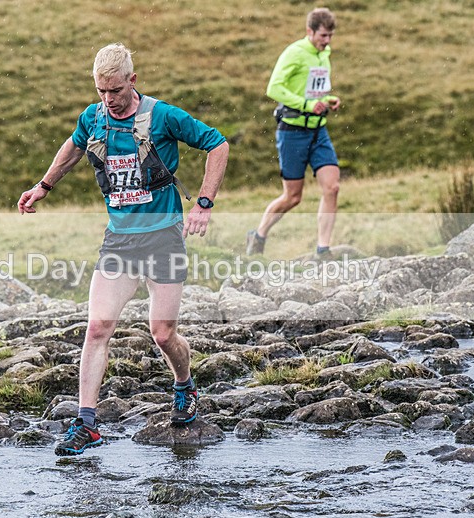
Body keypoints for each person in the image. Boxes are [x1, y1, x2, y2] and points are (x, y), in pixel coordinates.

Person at [17, 43, 229, 456]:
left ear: (133, 81)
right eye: (101, 91)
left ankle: (184, 386)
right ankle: (87, 423)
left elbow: (217, 145)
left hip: (164, 237)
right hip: (120, 240)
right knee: (97, 327)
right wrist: (43, 186)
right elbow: (73, 148)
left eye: (115, 90)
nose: (108, 100)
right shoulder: (93, 117)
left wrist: (204, 203)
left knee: (162, 333)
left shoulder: (163, 116)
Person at [246, 7, 341, 258]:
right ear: (309, 31)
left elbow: (313, 89)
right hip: (292, 132)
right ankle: (259, 234)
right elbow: (274, 88)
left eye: (330, 36)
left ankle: (323, 249)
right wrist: (308, 106)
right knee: (293, 197)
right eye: (323, 36)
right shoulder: (294, 53)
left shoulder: (324, 54)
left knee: (332, 187)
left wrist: (328, 99)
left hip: (318, 131)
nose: (327, 41)